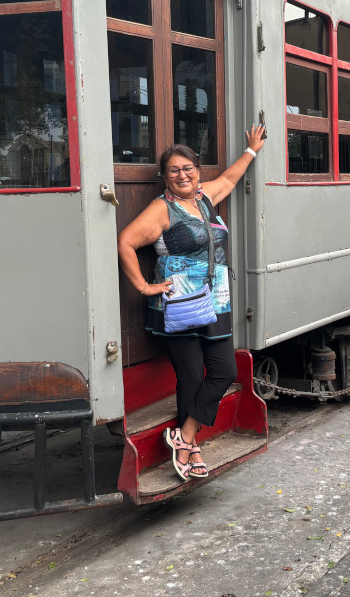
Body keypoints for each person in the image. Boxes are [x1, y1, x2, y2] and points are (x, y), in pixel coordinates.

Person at [117, 125, 265, 481]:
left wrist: (252, 150)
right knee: (189, 375)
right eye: (174, 170)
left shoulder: (204, 197)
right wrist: (145, 287)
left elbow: (230, 179)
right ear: (163, 177)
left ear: (197, 172)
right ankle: (190, 446)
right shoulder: (161, 209)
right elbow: (125, 242)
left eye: (189, 169)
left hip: (215, 300)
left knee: (225, 371)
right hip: (179, 302)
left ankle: (183, 435)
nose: (182, 175)